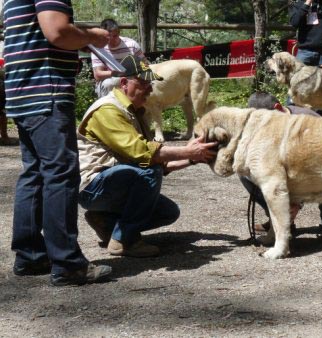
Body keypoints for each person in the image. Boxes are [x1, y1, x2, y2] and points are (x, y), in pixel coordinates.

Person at [4, 0, 112, 286]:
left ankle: (30, 256)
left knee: (35, 173)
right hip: (46, 92)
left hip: (21, 92)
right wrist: (91, 36)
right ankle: (67, 263)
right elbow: (57, 32)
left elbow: (41, 36)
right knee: (60, 173)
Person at [77, 55, 217, 257]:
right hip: (92, 186)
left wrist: (193, 158)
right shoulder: (108, 109)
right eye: (143, 83)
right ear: (124, 83)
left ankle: (104, 221)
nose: (150, 89)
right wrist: (187, 151)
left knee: (167, 212)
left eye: (150, 83)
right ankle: (125, 239)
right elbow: (142, 153)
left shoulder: (135, 112)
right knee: (147, 171)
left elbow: (156, 160)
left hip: (112, 183)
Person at [242, 92, 322, 244]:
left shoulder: (309, 121)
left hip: (319, 166)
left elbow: (319, 162)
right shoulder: (262, 121)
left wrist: (297, 201)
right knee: (245, 174)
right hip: (285, 166)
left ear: (278, 107)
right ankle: (278, 220)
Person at [289, 0, 322, 112]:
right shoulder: (300, 4)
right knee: (296, 86)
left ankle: (318, 119)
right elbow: (294, 22)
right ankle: (292, 115)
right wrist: (307, 3)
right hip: (305, 52)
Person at [91, 18, 147, 98]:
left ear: (119, 32)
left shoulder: (131, 44)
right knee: (109, 84)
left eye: (114, 36)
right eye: (108, 36)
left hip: (131, 78)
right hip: (109, 80)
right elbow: (98, 74)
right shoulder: (98, 48)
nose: (111, 39)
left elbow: (145, 64)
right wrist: (118, 73)